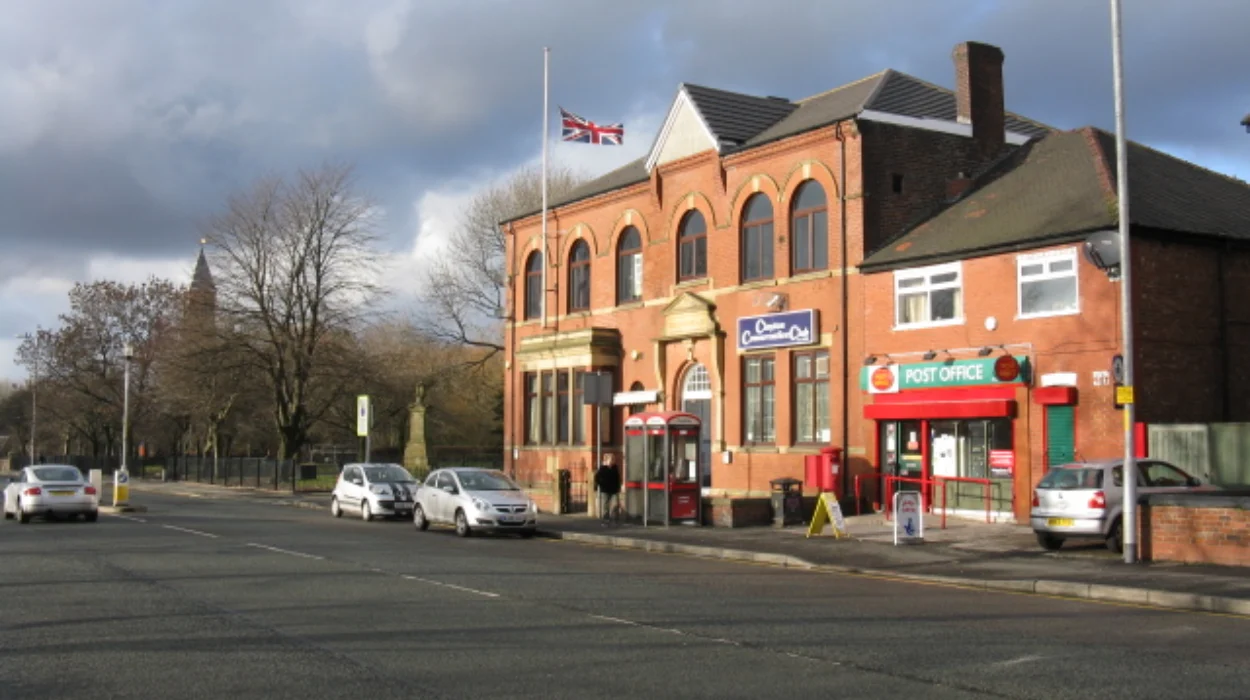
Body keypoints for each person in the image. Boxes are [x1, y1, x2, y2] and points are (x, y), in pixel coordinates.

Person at [594, 452, 622, 525]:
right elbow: (597, 478)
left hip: (614, 490)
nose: (613, 461)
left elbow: (617, 478)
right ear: (607, 460)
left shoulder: (615, 468)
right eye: (611, 459)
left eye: (613, 459)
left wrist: (618, 486)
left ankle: (615, 519)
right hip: (605, 490)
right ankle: (606, 520)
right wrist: (601, 484)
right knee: (605, 506)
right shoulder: (602, 468)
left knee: (615, 504)